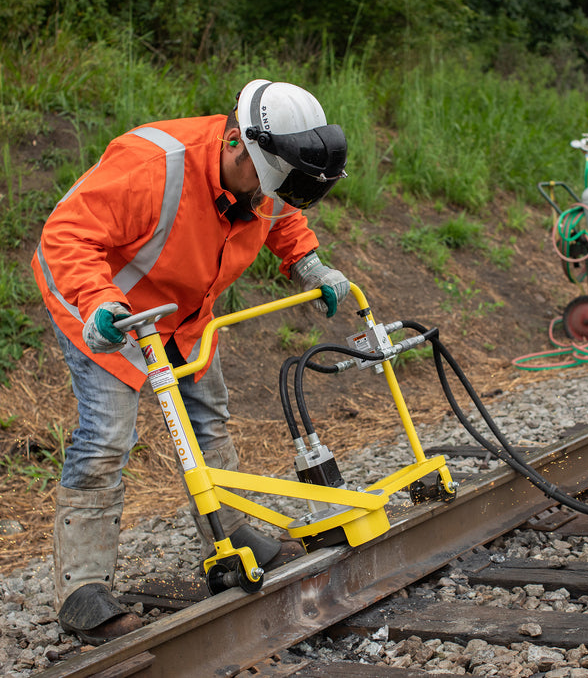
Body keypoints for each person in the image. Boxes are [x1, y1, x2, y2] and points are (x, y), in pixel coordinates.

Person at [31, 79, 350, 645]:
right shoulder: (153, 165)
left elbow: (280, 216)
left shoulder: (262, 171)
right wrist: (99, 303)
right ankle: (82, 588)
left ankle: (230, 536)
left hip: (183, 312)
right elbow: (68, 233)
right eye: (264, 182)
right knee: (107, 437)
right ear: (233, 142)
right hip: (104, 309)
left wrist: (309, 265)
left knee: (209, 420)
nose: (265, 196)